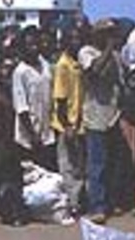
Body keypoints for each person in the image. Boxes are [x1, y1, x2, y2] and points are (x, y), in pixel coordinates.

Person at [79, 19, 123, 224]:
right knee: (97, 165)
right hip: (95, 117)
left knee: (113, 163)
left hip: (113, 116)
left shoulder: (115, 56)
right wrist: (108, 49)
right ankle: (96, 206)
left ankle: (111, 202)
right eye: (106, 33)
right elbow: (94, 71)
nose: (109, 37)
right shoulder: (87, 52)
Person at [51, 25, 85, 219]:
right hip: (67, 124)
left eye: (78, 38)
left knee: (78, 165)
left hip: (79, 122)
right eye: (72, 39)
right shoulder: (63, 65)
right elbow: (60, 98)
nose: (76, 42)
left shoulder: (76, 62)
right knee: (68, 167)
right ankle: (72, 205)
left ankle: (77, 201)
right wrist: (67, 126)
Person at [12, 26, 56, 170]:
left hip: (48, 133)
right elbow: (21, 108)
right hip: (29, 138)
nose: (34, 48)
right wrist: (33, 136)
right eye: (29, 45)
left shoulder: (45, 65)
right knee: (32, 183)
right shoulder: (20, 72)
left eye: (36, 44)